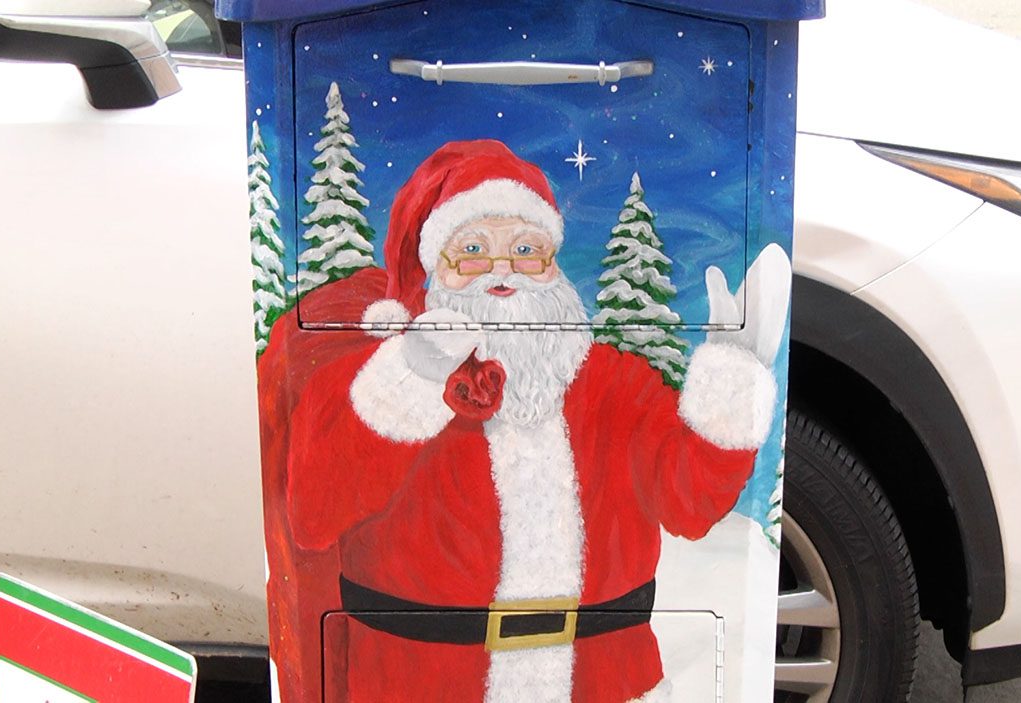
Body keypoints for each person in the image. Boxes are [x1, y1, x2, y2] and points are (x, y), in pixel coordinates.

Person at [284, 139, 789, 702]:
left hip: (604, 681)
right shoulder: (375, 384)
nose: (503, 271)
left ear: (553, 266)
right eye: (472, 249)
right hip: (425, 682)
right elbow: (311, 515)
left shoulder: (610, 383)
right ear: (435, 271)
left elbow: (690, 502)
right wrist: (410, 382)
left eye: (527, 249)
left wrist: (733, 382)